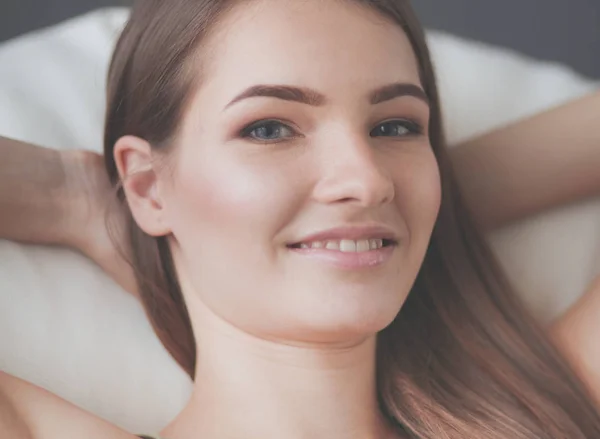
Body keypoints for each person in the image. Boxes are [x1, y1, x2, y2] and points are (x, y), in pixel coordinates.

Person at [1, 0, 600, 438]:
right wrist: (69, 198)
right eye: (269, 129)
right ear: (147, 184)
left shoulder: (551, 410)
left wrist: (420, 212)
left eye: (395, 127)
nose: (367, 178)